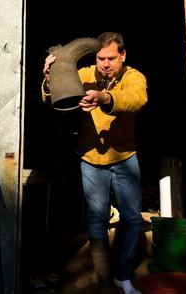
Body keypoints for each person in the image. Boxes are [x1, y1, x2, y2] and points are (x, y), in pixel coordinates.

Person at [42, 32, 147, 294]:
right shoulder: (86, 73)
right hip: (90, 158)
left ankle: (122, 276)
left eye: (111, 58)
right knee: (97, 217)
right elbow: (50, 98)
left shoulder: (134, 77)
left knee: (133, 218)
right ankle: (103, 277)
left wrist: (105, 98)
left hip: (124, 157)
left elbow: (136, 99)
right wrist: (49, 79)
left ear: (122, 55)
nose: (105, 64)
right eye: (101, 58)